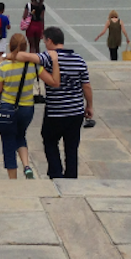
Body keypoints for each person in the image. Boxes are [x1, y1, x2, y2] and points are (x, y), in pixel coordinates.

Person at [0, 33, 60, 179]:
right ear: (26, 47)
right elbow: (54, 82)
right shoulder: (34, 66)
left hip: (7, 108)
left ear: (10, 47)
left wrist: (4, 56)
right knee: (21, 135)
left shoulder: (4, 66)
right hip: (27, 108)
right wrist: (55, 62)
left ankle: (13, 178)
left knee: (8, 142)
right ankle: (27, 166)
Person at [38, 27, 92, 179]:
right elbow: (86, 86)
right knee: (72, 147)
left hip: (55, 110)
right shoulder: (79, 59)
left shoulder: (47, 57)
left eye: (44, 40)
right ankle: (71, 176)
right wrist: (90, 105)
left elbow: (30, 58)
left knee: (49, 140)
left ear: (49, 40)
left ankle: (55, 172)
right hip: (75, 111)